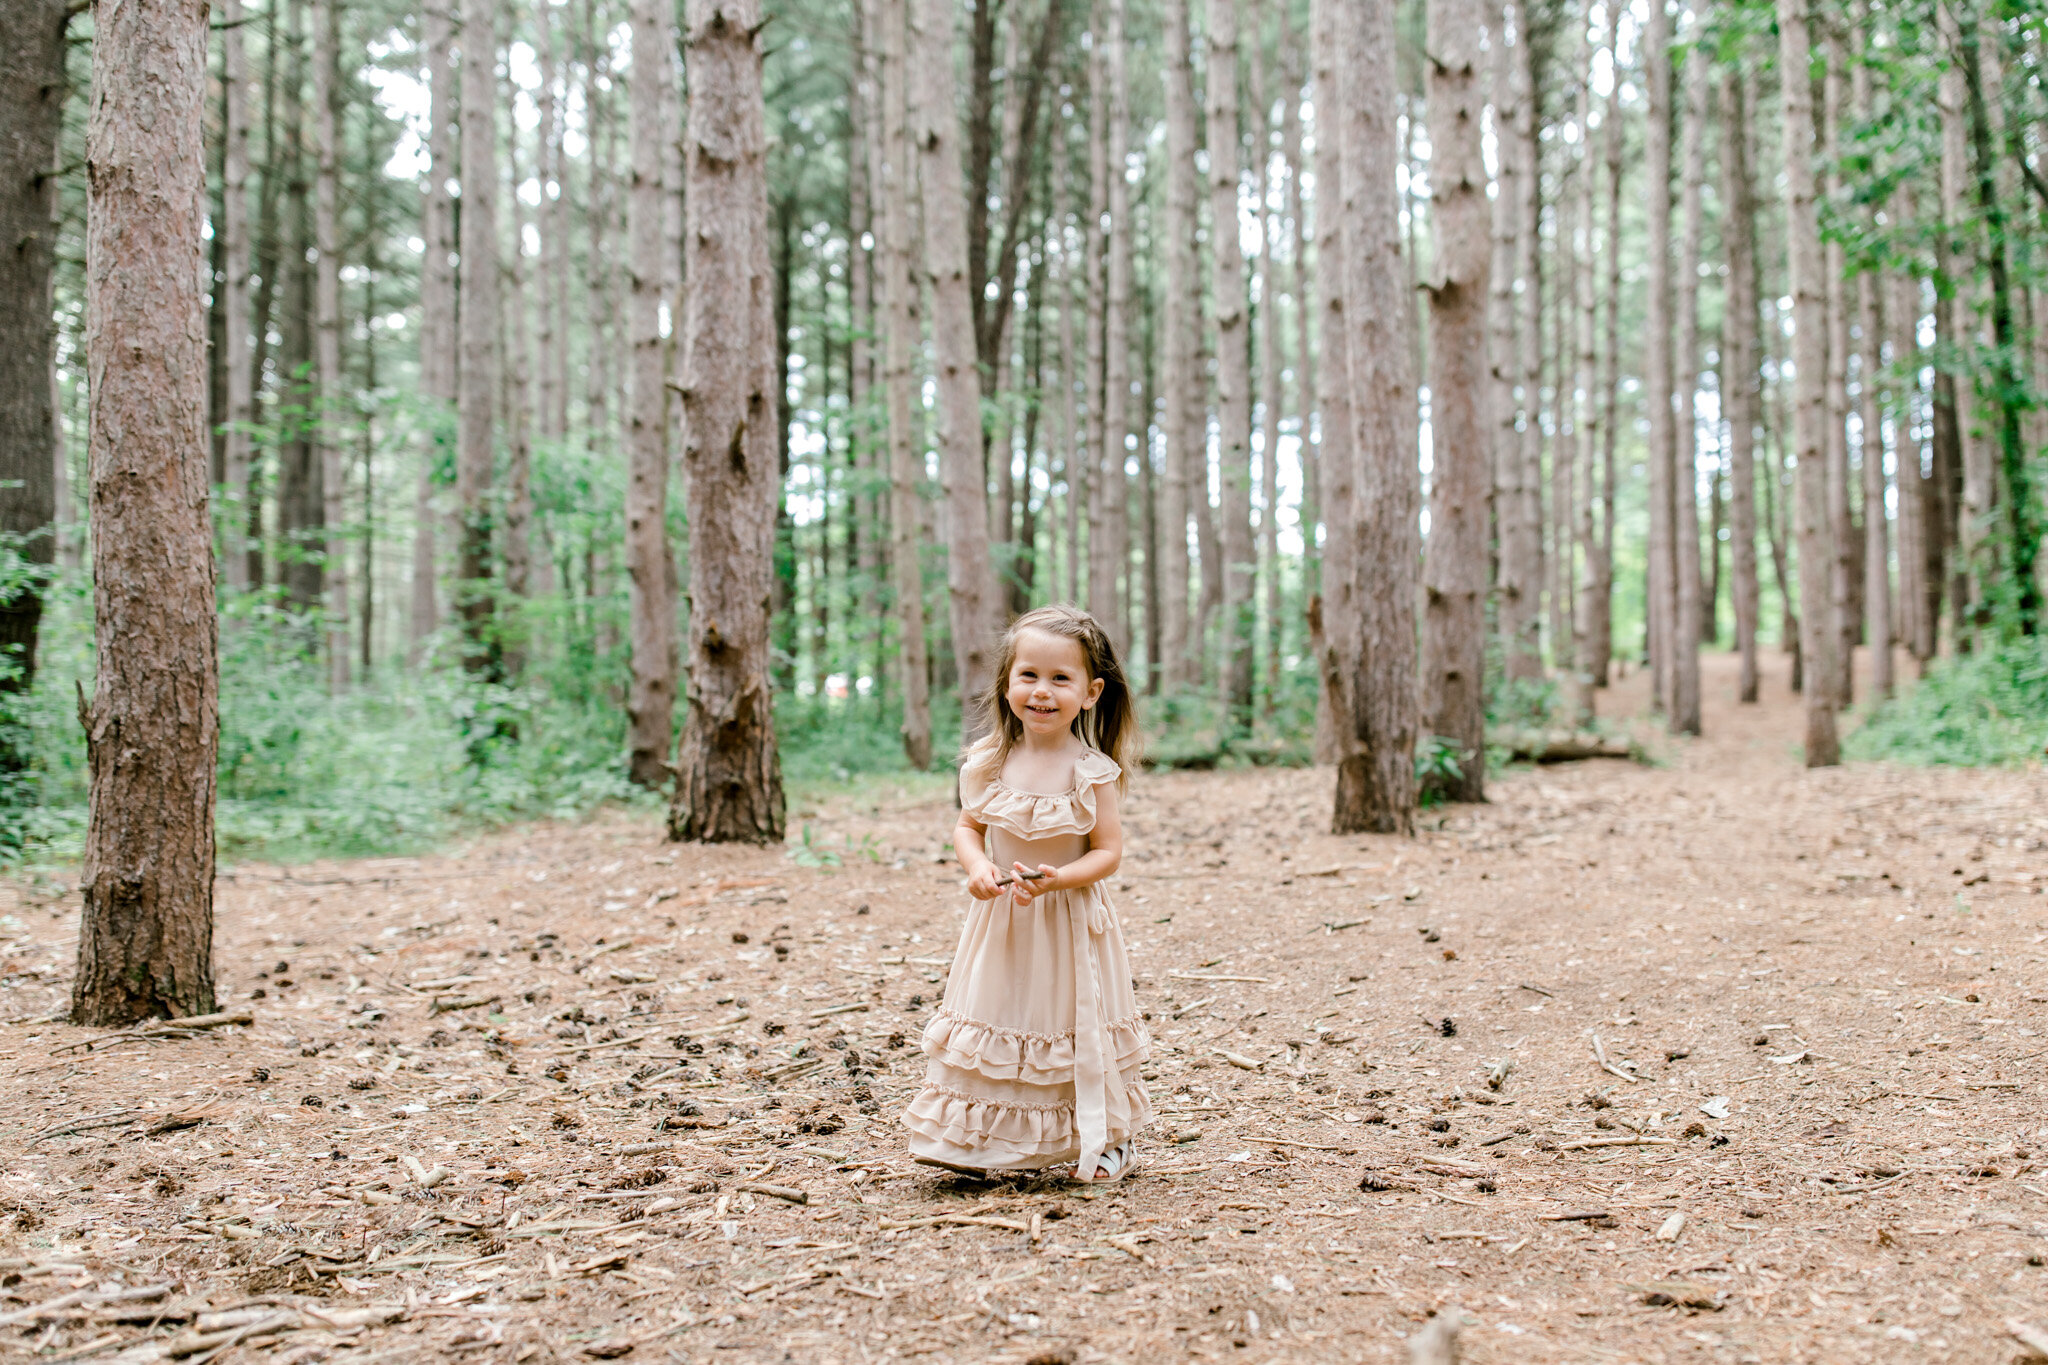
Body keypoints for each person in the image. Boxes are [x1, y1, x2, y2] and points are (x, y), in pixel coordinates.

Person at [902, 605, 1151, 1182]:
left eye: (1060, 679)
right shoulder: (989, 761)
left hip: (1067, 920)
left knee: (1071, 1023)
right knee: (1000, 1015)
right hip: (1002, 922)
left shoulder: (1093, 772)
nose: (1042, 691)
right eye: (1029, 675)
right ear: (1007, 683)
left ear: (1090, 693)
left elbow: (1107, 852)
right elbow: (968, 828)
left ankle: (1106, 1135)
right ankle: (978, 1141)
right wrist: (977, 868)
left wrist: (1058, 880)